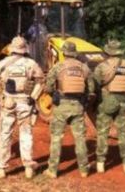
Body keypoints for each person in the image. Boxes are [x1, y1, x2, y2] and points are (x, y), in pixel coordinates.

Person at [0, 36, 44, 179]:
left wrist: (1, 87)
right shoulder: (31, 64)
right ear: (24, 48)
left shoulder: (2, 64)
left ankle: (1, 167)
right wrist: (33, 96)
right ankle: (28, 167)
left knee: (5, 133)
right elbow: (41, 81)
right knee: (26, 133)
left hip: (7, 102)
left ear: (12, 48)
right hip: (25, 102)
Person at [43, 41, 94, 178]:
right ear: (75, 53)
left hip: (61, 107)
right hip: (78, 106)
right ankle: (84, 170)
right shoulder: (84, 68)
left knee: (56, 138)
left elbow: (47, 88)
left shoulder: (58, 67)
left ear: (64, 53)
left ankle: (52, 170)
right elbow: (91, 90)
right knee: (80, 138)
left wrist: (54, 94)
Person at [93, 40, 125, 174]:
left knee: (102, 133)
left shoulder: (101, 66)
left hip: (106, 102)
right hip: (123, 102)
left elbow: (95, 85)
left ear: (108, 52)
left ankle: (100, 163)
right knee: (123, 133)